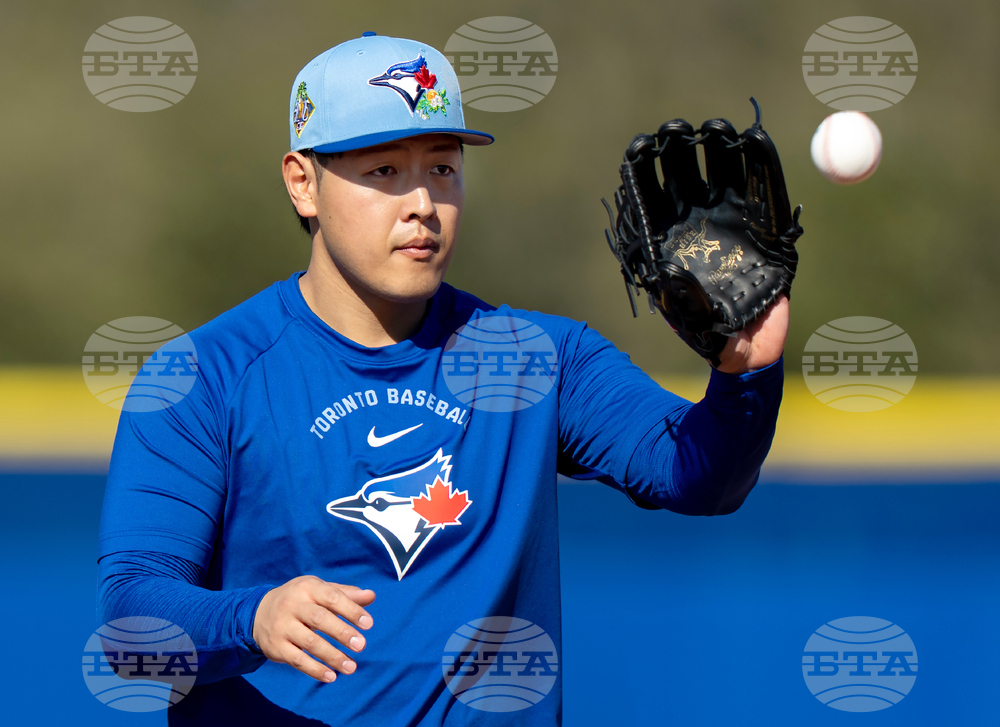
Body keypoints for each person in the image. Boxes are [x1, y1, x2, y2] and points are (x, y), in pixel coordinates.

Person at [96, 32, 788, 725]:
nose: (422, 202)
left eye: (443, 169)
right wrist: (255, 616)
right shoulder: (205, 377)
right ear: (303, 182)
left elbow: (700, 476)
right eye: (385, 171)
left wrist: (744, 371)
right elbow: (131, 625)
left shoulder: (538, 357)